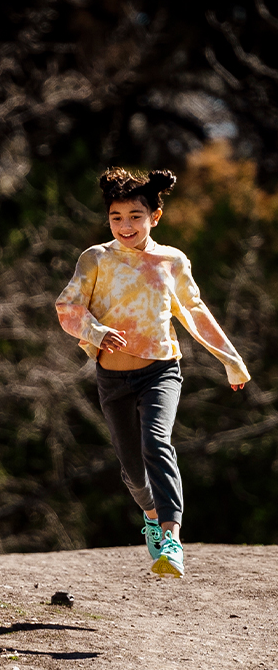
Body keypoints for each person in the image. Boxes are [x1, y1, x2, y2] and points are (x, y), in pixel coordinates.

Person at [55, 167, 250, 578]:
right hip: (113, 379)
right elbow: (68, 308)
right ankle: (149, 515)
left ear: (154, 218)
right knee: (130, 466)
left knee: (156, 442)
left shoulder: (170, 261)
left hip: (161, 370)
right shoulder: (96, 259)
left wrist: (230, 359)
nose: (126, 225)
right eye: (117, 217)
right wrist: (96, 330)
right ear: (108, 218)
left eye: (135, 216)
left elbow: (194, 311)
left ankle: (171, 537)